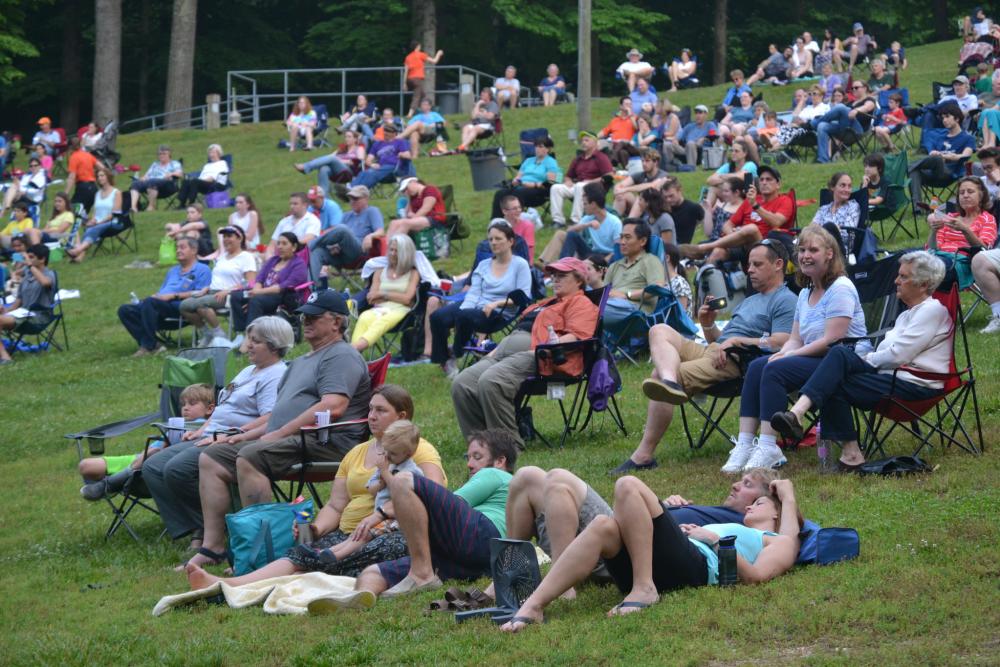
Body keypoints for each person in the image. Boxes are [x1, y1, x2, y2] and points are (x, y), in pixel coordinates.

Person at [185, 385, 446, 583]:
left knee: (334, 557)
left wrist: (378, 515)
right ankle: (231, 583)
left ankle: (240, 584)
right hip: (348, 533)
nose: (372, 416)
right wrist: (316, 528)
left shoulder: (418, 450)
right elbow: (335, 505)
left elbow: (432, 493)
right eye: (370, 409)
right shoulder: (355, 453)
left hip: (393, 533)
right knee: (303, 551)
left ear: (402, 416)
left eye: (381, 410)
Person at [191, 289, 372, 569]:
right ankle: (213, 546)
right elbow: (278, 412)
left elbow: (333, 406)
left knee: (251, 457)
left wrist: (279, 433)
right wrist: (247, 434)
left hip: (324, 443)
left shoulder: (340, 355)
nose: (306, 321)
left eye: (314, 316)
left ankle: (262, 550)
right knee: (212, 457)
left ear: (336, 322)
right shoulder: (301, 361)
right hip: (288, 440)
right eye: (304, 316)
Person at [498, 476, 801, 631]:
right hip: (670, 558)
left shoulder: (773, 539)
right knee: (603, 524)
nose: (750, 506)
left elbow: (759, 576)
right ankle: (535, 604)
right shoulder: (730, 522)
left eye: (760, 504)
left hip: (693, 568)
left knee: (627, 484)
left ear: (776, 516)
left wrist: (716, 541)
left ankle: (644, 589)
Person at [612, 240, 796, 474]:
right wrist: (709, 326)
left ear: (778, 264)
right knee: (659, 330)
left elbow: (782, 342)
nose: (749, 270)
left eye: (757, 264)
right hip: (715, 352)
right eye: (749, 264)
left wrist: (738, 342)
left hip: (737, 362)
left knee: (656, 375)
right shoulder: (750, 300)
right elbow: (718, 342)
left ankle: (643, 455)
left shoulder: (785, 299)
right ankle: (671, 380)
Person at [772, 251, 950, 470]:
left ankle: (798, 414)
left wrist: (866, 359)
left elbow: (898, 355)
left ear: (923, 284)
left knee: (838, 355)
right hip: (894, 377)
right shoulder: (907, 315)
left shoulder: (933, 310)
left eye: (903, 277)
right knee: (832, 375)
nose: (896, 281)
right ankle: (850, 453)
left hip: (915, 386)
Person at [143, 317, 293, 551]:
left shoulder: (275, 375)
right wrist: (201, 429)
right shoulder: (247, 371)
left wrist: (235, 434)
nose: (248, 345)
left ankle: (215, 532)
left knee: (176, 469)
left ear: (274, 345)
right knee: (152, 466)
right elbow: (223, 406)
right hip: (210, 434)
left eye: (256, 341)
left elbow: (270, 417)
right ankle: (197, 526)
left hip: (233, 440)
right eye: (249, 339)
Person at [730, 226, 868, 473]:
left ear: (829, 254)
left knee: (775, 370)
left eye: (813, 250)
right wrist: (784, 352)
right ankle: (744, 443)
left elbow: (832, 339)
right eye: (802, 250)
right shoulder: (805, 293)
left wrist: (791, 355)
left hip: (843, 360)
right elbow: (795, 338)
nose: (805, 255)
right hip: (816, 358)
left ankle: (769, 445)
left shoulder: (841, 287)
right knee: (759, 366)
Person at [451, 257, 599, 443]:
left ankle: (507, 446)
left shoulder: (581, 303)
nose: (555, 279)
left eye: (562, 275)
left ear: (579, 280)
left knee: (491, 381)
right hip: (504, 353)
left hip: (541, 357)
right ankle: (480, 445)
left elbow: (577, 335)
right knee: (462, 383)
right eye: (553, 275)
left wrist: (545, 348)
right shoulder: (546, 303)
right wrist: (492, 353)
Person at [354, 429, 517, 597]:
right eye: (467, 457)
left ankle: (422, 575)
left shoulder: (495, 474)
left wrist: (380, 514)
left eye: (477, 457)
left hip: (482, 537)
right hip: (471, 561)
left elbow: (444, 505)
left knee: (404, 480)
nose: (469, 464)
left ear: (500, 461)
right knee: (372, 572)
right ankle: (361, 597)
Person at [430, 219, 532, 377]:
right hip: (477, 306)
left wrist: (496, 303)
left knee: (464, 315)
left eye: (498, 239)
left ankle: (456, 352)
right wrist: (464, 310)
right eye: (491, 239)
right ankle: (444, 358)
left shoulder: (520, 265)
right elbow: (474, 293)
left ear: (511, 241)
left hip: (501, 311)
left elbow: (524, 296)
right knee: (438, 316)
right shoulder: (484, 265)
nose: (494, 243)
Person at [79, 384, 215, 501]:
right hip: (142, 456)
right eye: (183, 404)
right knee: (86, 466)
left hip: (155, 465)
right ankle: (112, 484)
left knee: (149, 456)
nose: (185, 408)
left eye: (192, 403)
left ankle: (108, 485)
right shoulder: (176, 424)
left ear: (210, 409)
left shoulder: (205, 427)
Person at [116, 237, 212, 357]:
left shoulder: (203, 269)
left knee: (150, 303)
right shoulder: (172, 271)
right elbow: (162, 292)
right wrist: (156, 296)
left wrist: (173, 296)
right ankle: (155, 344)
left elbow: (201, 293)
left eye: (182, 247)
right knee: (125, 310)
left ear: (194, 250)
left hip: (181, 308)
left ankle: (147, 346)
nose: (178, 250)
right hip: (158, 307)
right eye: (176, 248)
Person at [178, 226, 257, 345]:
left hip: (229, 295)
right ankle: (207, 333)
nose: (225, 239)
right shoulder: (222, 257)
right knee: (184, 306)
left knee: (200, 304)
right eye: (224, 236)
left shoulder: (246, 257)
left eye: (229, 236)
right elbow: (218, 278)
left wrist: (228, 291)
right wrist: (207, 288)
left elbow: (250, 282)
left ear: (239, 238)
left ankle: (220, 335)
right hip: (211, 292)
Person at [229, 232, 309, 336]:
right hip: (261, 293)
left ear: (294, 247)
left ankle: (251, 336)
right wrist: (257, 289)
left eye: (284, 244)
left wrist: (259, 292)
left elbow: (284, 286)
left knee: (256, 301)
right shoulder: (273, 260)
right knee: (236, 296)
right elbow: (260, 278)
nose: (280, 246)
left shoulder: (299, 264)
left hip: (280, 297)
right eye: (279, 243)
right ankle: (241, 332)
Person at [351, 234, 419, 353]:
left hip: (403, 312)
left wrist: (383, 294)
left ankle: (354, 350)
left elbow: (408, 299)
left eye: (397, 251)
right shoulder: (380, 271)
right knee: (364, 317)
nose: (392, 253)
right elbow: (371, 298)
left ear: (406, 253)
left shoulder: (413, 273)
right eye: (391, 249)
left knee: (382, 322)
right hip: (380, 308)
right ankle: (353, 357)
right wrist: (396, 296)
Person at [926, 176, 997, 289]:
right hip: (936, 257)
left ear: (981, 195)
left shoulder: (987, 219)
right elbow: (933, 248)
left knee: (917, 268)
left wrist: (965, 230)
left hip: (961, 263)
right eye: (961, 192)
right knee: (902, 259)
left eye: (970, 191)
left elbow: (984, 249)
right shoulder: (949, 218)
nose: (965, 195)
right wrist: (934, 231)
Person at [309, 184, 385, 285]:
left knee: (342, 229)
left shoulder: (372, 211)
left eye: (355, 198)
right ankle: (313, 289)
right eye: (350, 198)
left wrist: (370, 236)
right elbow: (335, 235)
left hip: (358, 253)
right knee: (317, 252)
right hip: (340, 254)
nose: (352, 201)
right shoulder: (346, 215)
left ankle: (308, 246)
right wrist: (333, 246)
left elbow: (381, 231)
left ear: (366, 199)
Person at [908, 104, 976, 208]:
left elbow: (965, 156)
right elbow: (932, 152)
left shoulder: (967, 138)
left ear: (957, 118)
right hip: (932, 173)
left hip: (949, 174)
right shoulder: (940, 136)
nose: (944, 120)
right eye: (943, 117)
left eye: (947, 116)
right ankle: (917, 209)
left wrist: (949, 156)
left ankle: (907, 166)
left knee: (936, 159)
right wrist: (933, 153)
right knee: (914, 171)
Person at [538, 182, 622, 265]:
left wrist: (602, 263)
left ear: (593, 204)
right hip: (591, 253)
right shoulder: (588, 218)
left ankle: (553, 267)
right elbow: (569, 231)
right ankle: (562, 266)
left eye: (585, 204)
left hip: (607, 257)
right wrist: (587, 225)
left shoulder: (614, 222)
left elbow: (618, 249)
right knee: (571, 234)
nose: (583, 206)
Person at [0, 243, 56, 366]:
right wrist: (6, 312)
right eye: (28, 257)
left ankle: (5, 357)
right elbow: (19, 301)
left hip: (39, 317)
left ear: (42, 259)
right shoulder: (27, 277)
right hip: (23, 316)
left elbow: (45, 283)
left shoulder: (50, 274)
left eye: (31, 257)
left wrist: (30, 266)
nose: (27, 260)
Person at [602, 220, 665, 327]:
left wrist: (627, 295)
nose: (622, 242)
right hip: (612, 306)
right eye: (621, 237)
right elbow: (603, 292)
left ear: (642, 241)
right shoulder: (614, 266)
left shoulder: (650, 261)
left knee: (594, 310)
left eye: (627, 237)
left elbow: (657, 288)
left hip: (635, 311)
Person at [549, 131, 613, 227]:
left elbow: (609, 175)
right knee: (556, 187)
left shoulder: (601, 157)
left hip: (595, 188)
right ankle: (558, 220)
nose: (583, 142)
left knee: (579, 185)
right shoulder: (578, 159)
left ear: (595, 142)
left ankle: (576, 220)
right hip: (578, 186)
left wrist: (591, 181)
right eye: (582, 140)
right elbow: (568, 175)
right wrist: (568, 181)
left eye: (587, 140)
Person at [491, 136, 562, 218]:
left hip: (539, 191)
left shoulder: (551, 162)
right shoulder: (528, 161)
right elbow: (519, 176)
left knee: (518, 193)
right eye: (536, 146)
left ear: (548, 149)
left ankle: (515, 220)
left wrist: (532, 185)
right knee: (500, 193)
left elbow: (551, 183)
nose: (537, 149)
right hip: (521, 186)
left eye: (540, 146)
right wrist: (516, 180)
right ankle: (496, 220)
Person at [64, 166, 123, 263]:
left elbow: (115, 214)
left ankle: (77, 251)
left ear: (108, 176)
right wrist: (92, 220)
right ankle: (79, 257)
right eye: (98, 176)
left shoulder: (116, 193)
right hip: (98, 224)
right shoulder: (97, 194)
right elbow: (95, 213)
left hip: (114, 222)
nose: (100, 178)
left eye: (102, 175)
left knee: (93, 229)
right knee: (83, 226)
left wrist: (98, 222)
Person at [811, 80, 877, 163]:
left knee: (841, 107)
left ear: (865, 88)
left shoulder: (869, 99)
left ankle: (814, 123)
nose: (854, 90)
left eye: (856, 87)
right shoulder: (851, 103)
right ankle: (823, 159)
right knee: (822, 125)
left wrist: (856, 110)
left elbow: (868, 107)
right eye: (852, 88)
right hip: (844, 128)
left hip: (857, 130)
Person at [339, 123, 412, 190]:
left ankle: (355, 190)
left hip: (394, 169)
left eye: (389, 131)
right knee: (364, 173)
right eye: (385, 130)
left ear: (394, 133)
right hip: (381, 169)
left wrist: (401, 154)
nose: (386, 132)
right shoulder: (377, 144)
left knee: (372, 173)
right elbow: (368, 159)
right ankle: (351, 188)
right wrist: (371, 164)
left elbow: (408, 155)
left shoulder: (400, 142)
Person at [294, 129, 367, 196]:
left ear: (355, 139)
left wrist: (343, 161)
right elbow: (330, 156)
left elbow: (360, 160)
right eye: (345, 137)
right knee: (324, 168)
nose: (346, 139)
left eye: (349, 137)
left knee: (333, 159)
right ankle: (324, 196)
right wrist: (318, 160)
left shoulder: (359, 147)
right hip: (336, 171)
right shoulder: (342, 148)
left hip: (349, 172)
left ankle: (306, 167)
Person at [703, 138, 757, 215]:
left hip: (745, 196)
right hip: (730, 194)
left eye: (736, 151)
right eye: (732, 150)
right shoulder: (727, 166)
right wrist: (727, 178)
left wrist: (723, 177)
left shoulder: (750, 165)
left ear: (745, 153)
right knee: (712, 189)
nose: (733, 153)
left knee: (723, 189)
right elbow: (710, 180)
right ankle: (705, 213)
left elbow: (740, 177)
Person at [811, 172, 861, 252]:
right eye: (843, 185)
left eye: (849, 186)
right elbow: (811, 228)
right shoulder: (823, 209)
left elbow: (846, 235)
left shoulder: (853, 207)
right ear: (832, 187)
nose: (847, 190)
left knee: (829, 226)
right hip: (818, 247)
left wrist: (825, 230)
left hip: (840, 251)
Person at [612, 148, 667, 216]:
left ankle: (629, 223)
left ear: (655, 162)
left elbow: (652, 185)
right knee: (622, 195)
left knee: (640, 198)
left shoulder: (663, 175)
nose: (644, 164)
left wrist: (625, 189)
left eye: (647, 161)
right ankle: (614, 222)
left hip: (655, 209)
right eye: (642, 161)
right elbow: (619, 185)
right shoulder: (640, 175)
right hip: (640, 207)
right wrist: (618, 191)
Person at [266, 192, 321, 258]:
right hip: (281, 258)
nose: (292, 206)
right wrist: (269, 260)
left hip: (302, 258)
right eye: (290, 204)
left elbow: (306, 240)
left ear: (305, 205)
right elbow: (272, 245)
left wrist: (285, 246)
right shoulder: (284, 221)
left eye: (295, 204)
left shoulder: (313, 220)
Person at [130, 145, 183, 212]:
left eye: (164, 154)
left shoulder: (174, 163)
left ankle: (151, 207)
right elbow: (147, 175)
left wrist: (171, 174)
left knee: (152, 182)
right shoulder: (155, 164)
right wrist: (143, 178)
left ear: (169, 154)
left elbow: (180, 174)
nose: (161, 156)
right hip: (150, 184)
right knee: (135, 184)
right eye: (159, 154)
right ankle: (133, 207)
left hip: (168, 186)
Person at [403, 42, 444, 117]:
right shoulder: (420, 54)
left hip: (409, 79)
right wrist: (439, 54)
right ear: (417, 47)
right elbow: (434, 61)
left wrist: (404, 83)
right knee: (417, 96)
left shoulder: (408, 57)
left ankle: (428, 110)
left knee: (423, 95)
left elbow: (406, 70)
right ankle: (410, 113)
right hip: (417, 78)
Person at [598, 97, 637, 168]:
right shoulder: (615, 120)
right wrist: (594, 138)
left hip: (627, 144)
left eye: (630, 104)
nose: (629, 106)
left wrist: (630, 115)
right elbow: (604, 131)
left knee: (621, 146)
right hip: (613, 142)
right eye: (626, 104)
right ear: (621, 106)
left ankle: (612, 160)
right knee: (598, 144)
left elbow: (637, 128)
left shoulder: (635, 118)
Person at [457, 88, 501, 152]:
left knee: (475, 128)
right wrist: (477, 105)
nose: (482, 95)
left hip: (488, 126)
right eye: (482, 94)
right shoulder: (479, 105)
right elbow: (473, 117)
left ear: (489, 96)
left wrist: (482, 113)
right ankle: (465, 148)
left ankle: (462, 146)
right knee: (465, 128)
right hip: (477, 124)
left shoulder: (493, 105)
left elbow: (490, 117)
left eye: (484, 94)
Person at [663, 177, 704, 245]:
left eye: (671, 196)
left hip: (680, 247)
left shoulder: (693, 208)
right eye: (665, 197)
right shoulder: (663, 209)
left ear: (680, 191)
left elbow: (704, 222)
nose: (668, 200)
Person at [63, 136, 98, 211]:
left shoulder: (74, 157)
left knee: (72, 211)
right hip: (94, 188)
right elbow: (102, 167)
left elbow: (71, 177)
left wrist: (65, 194)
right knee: (84, 213)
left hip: (83, 187)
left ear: (70, 148)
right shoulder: (88, 155)